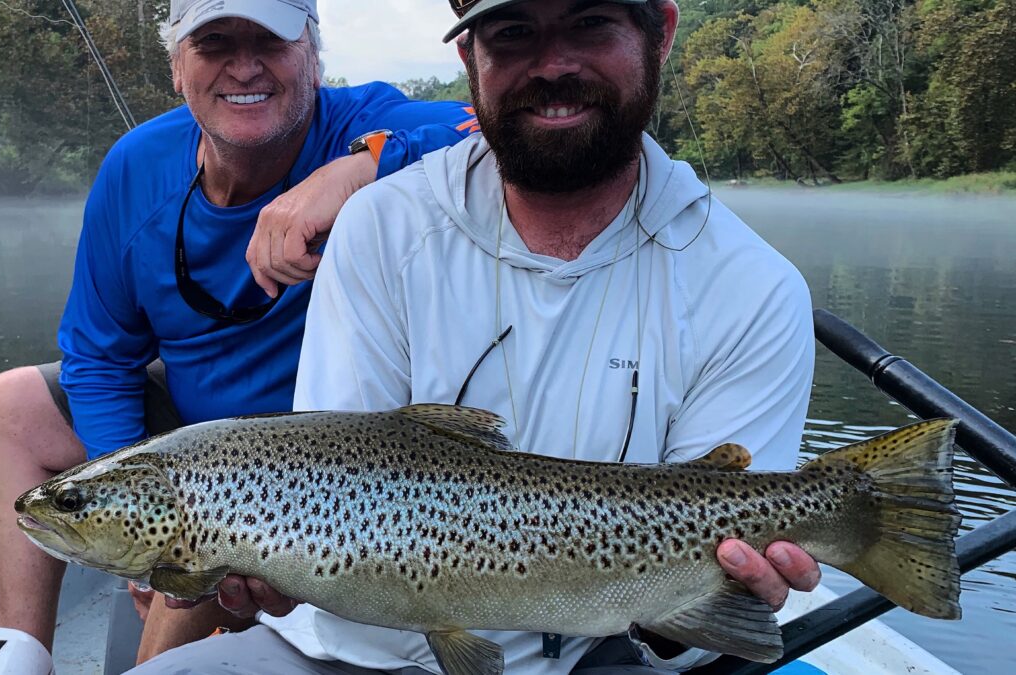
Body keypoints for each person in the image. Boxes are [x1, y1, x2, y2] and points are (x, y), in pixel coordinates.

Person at [128, 0, 821, 673]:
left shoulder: (752, 288)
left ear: (660, 33)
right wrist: (269, 574)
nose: (553, 64)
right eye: (514, 32)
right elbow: (333, 471)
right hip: (339, 651)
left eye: (590, 22)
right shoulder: (381, 228)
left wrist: (718, 603)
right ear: (469, 56)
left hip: (597, 654)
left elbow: (691, 630)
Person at [0, 0, 479, 664]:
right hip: (186, 443)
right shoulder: (136, 167)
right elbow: (98, 357)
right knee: (10, 405)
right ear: (178, 67)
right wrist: (136, 512)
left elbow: (491, 121)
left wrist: (358, 168)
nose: (245, 67)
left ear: (313, 57)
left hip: (301, 471)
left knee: (174, 619)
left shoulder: (362, 123)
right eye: (215, 44)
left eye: (269, 42)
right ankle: (17, 657)